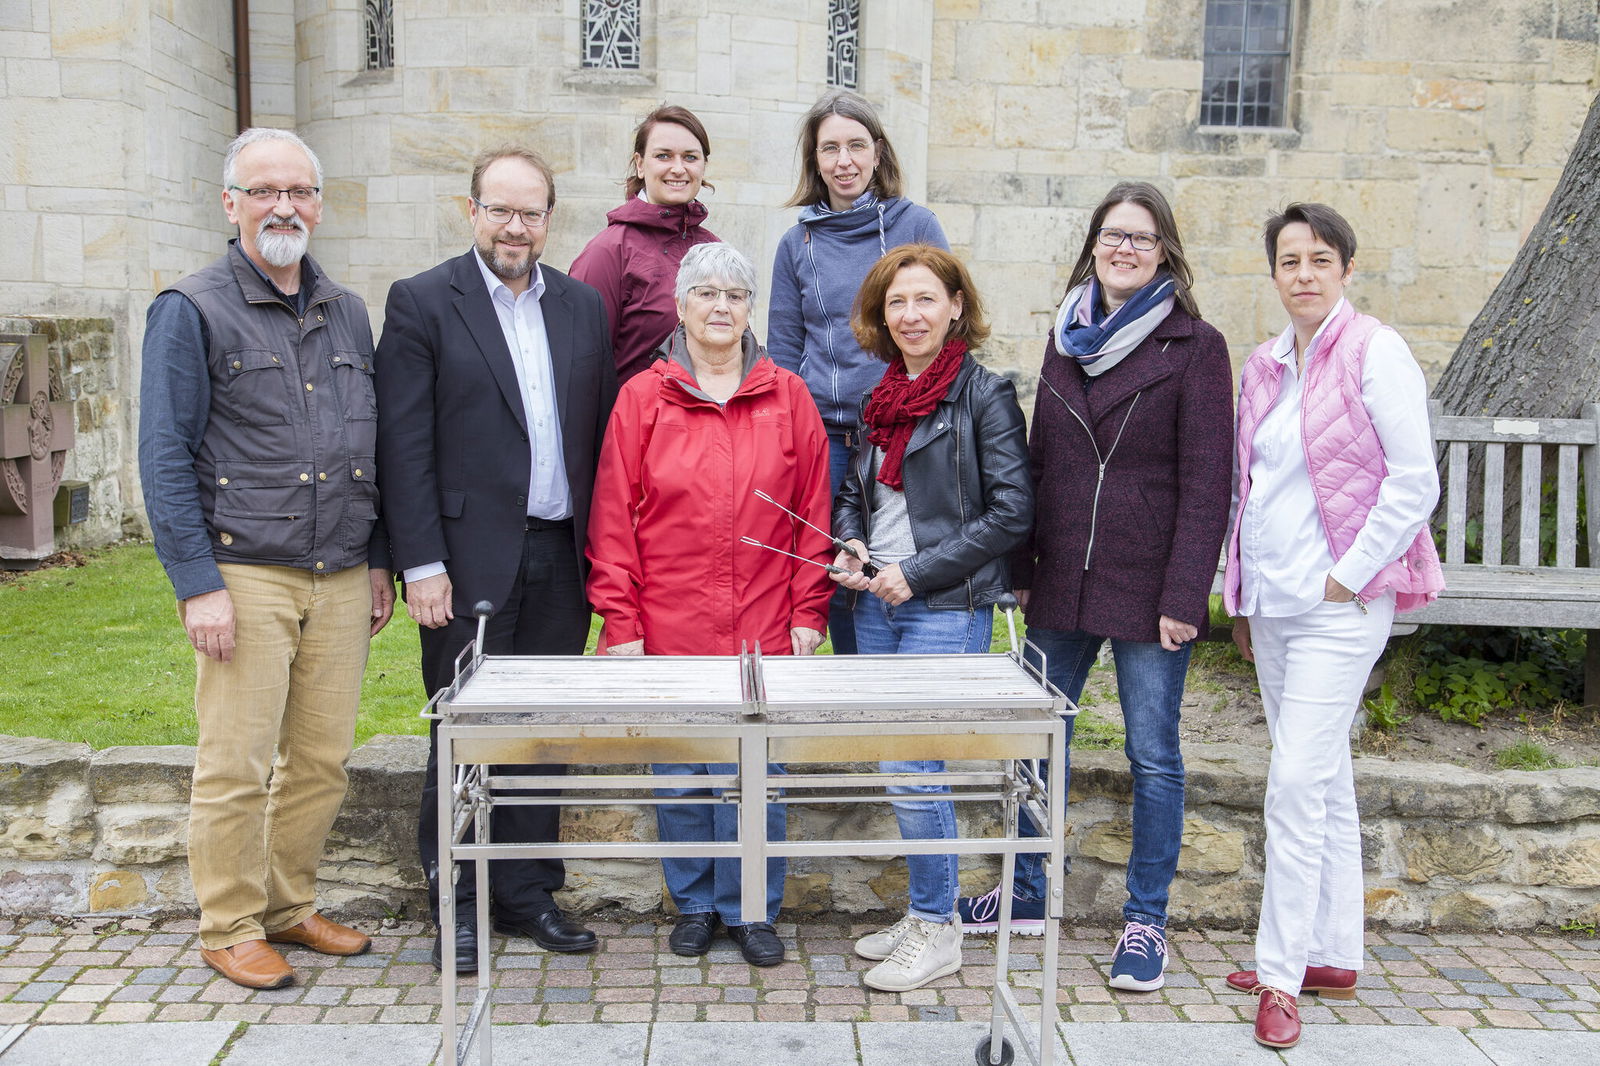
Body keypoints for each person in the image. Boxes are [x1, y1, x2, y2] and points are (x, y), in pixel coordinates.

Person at [955, 182, 1234, 993]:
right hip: (1062, 577)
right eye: (1113, 235)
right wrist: (1021, 569)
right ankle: (1029, 892)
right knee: (1038, 741)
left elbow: (1208, 481)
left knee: (1154, 754)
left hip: (1152, 585)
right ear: (1093, 246)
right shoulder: (1065, 337)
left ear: (1164, 252)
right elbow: (1039, 462)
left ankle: (1146, 921)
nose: (1125, 249)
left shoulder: (1196, 345)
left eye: (1141, 238)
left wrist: (1186, 594)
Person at [137, 127, 394, 990]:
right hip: (245, 572)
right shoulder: (191, 308)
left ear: (319, 204)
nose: (284, 207)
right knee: (237, 764)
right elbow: (163, 456)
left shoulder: (347, 308)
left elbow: (370, 441)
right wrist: (197, 584)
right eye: (264, 192)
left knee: (321, 762)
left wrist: (379, 558)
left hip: (340, 572)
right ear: (231, 204)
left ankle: (289, 904)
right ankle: (229, 924)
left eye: (299, 192)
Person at [373, 145, 619, 972]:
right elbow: (403, 444)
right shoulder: (421, 302)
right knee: (463, 732)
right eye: (501, 210)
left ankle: (526, 893)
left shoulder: (582, 307)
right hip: (463, 563)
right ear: (471, 210)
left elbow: (599, 437)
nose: (516, 226)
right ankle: (458, 902)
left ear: (550, 219)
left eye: (531, 212)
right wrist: (420, 564)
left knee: (542, 735)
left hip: (561, 556)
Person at [1222, 203, 1443, 1050]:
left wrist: (1349, 574)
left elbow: (1414, 480)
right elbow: (1249, 493)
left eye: (1320, 259)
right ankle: (1333, 954)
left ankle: (1280, 975)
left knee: (1292, 783)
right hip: (1275, 606)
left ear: (1347, 268)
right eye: (1290, 261)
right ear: (1274, 274)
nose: (1304, 274)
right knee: (1322, 778)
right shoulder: (1266, 364)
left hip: (1341, 607)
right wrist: (1241, 598)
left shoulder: (1375, 351)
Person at [586, 243, 832, 968]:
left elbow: (812, 514)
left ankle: (752, 908)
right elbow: (613, 518)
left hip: (763, 621)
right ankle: (694, 903)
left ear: (750, 309)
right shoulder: (644, 397)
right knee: (682, 773)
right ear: (681, 306)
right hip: (671, 621)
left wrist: (809, 611)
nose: (721, 307)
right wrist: (622, 621)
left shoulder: (788, 396)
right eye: (706, 293)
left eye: (735, 294)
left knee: (758, 776)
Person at [830, 244, 1034, 993]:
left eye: (925, 299)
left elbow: (1011, 512)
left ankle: (939, 929)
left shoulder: (984, 395)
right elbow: (854, 494)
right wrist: (851, 545)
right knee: (898, 762)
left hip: (946, 604)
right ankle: (926, 911)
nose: (910, 315)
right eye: (896, 303)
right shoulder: (880, 397)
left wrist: (913, 573)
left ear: (955, 307)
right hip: (875, 602)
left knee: (914, 767)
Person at [769, 89, 949, 655]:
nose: (843, 160)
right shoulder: (795, 242)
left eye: (856, 145)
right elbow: (784, 349)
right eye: (830, 148)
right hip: (825, 436)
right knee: (837, 567)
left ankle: (909, 666)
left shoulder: (916, 224)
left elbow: (947, 328)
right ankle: (853, 674)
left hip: (901, 433)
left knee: (899, 556)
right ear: (814, 159)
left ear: (878, 152)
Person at [570, 104, 721, 384]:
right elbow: (580, 364)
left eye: (690, 157)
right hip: (635, 410)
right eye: (663, 156)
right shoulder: (608, 252)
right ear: (640, 164)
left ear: (703, 166)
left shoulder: (715, 249)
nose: (678, 168)